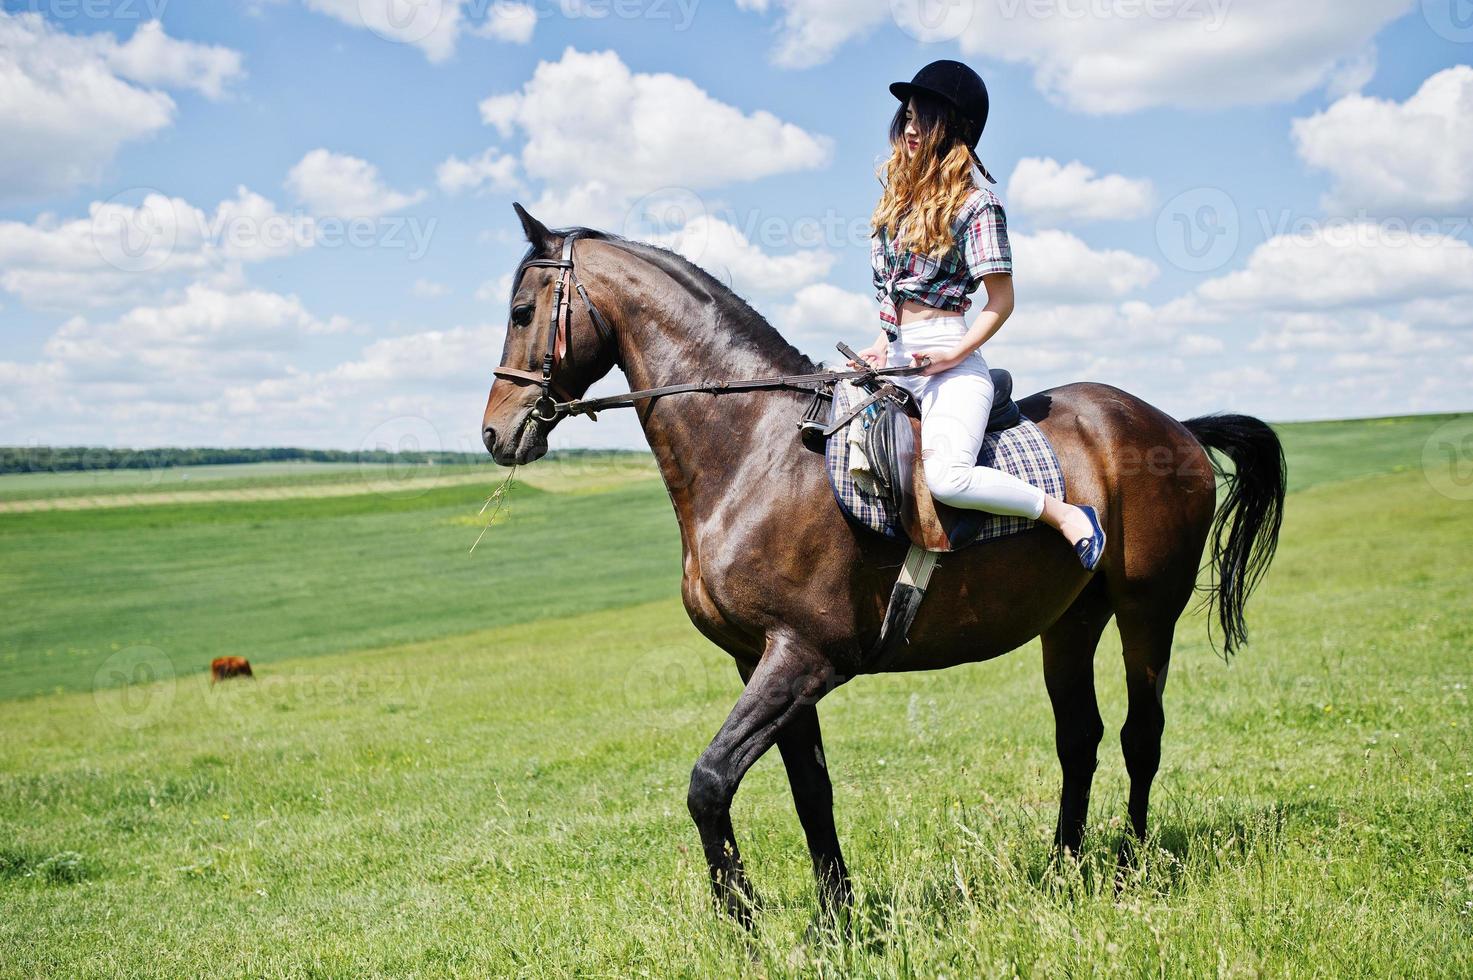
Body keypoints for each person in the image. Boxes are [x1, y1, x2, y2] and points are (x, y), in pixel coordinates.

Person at [849, 60, 1105, 570]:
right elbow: (894, 298)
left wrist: (953, 354)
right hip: (898, 359)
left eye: (926, 116)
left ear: (956, 129)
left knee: (948, 476)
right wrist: (881, 342)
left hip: (952, 360)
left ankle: (1066, 515)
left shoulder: (977, 206)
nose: (912, 126)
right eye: (908, 114)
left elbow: (1001, 301)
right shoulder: (896, 204)